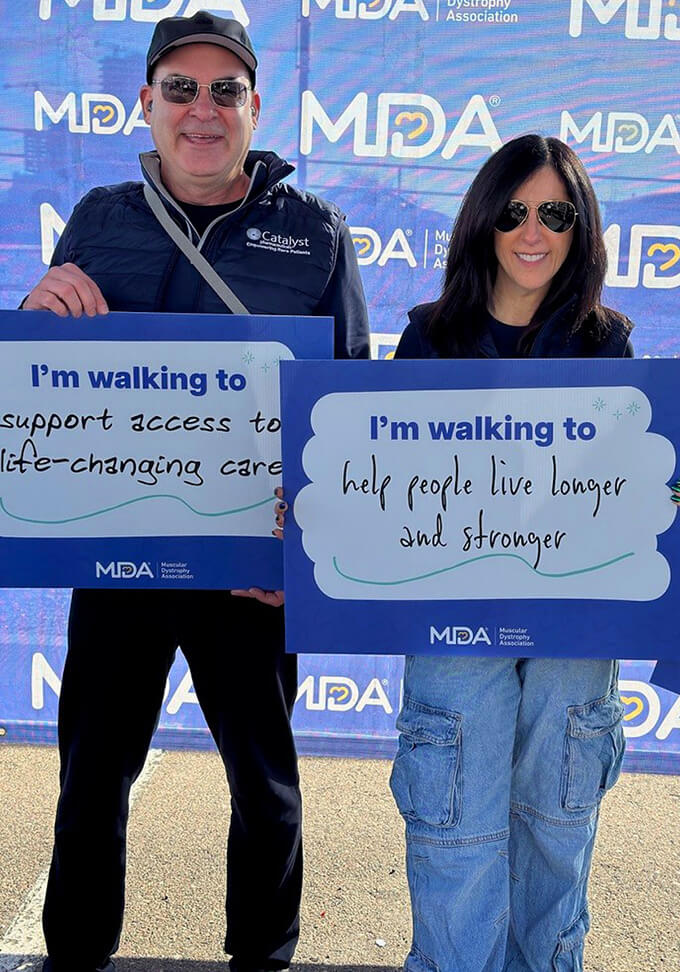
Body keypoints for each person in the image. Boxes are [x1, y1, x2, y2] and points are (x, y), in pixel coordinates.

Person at [23, 11, 369, 972]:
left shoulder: (317, 235)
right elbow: (50, 383)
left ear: (256, 106)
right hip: (120, 558)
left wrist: (307, 553)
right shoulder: (98, 218)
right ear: (146, 103)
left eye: (226, 90)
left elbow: (350, 406)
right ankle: (75, 956)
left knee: (266, 788)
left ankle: (264, 957)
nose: (203, 109)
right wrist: (35, 316)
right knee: (92, 778)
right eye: (182, 88)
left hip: (248, 573)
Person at [389, 134, 631, 972]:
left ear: (580, 228)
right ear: (486, 222)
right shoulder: (426, 339)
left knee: (556, 841)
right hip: (455, 631)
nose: (534, 231)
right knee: (455, 840)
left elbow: (630, 497)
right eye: (515, 211)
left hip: (571, 639)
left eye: (556, 213)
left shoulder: (611, 345)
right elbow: (381, 490)